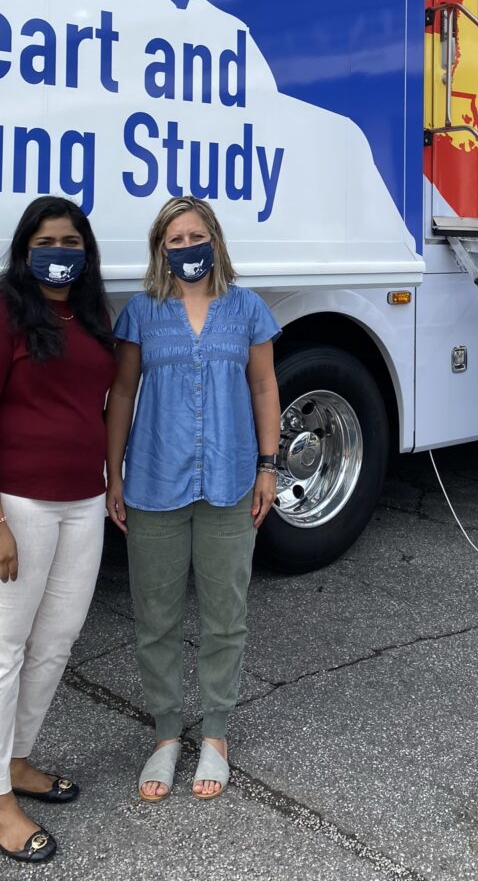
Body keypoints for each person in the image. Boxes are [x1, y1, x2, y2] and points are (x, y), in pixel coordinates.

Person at [0, 196, 116, 864]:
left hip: (82, 503)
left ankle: (15, 762)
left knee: (54, 643)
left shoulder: (93, 316)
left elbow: (102, 404)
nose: (60, 251)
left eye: (72, 240)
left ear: (86, 250)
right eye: (47, 240)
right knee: (1, 647)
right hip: (8, 504)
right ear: (25, 251)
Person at [105, 196, 281, 802]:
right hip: (155, 481)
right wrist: (114, 474)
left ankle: (218, 734)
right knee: (155, 617)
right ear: (160, 248)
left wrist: (267, 466)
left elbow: (264, 386)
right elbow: (122, 393)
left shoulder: (248, 309)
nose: (186, 248)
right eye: (174, 240)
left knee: (224, 614)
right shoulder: (141, 313)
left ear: (215, 240)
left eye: (195, 236)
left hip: (231, 480)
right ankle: (165, 733)